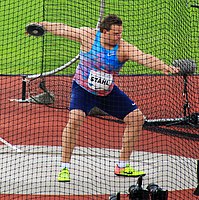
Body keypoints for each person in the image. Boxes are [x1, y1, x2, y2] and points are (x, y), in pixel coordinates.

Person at [37, 14, 179, 182]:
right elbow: (63, 29)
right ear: (104, 32)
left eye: (121, 33)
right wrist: (42, 25)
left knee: (137, 119)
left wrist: (165, 67)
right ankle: (64, 168)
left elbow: (144, 57)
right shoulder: (88, 36)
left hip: (107, 93)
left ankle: (122, 166)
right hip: (83, 90)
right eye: (115, 34)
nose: (119, 37)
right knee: (75, 119)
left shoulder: (123, 48)